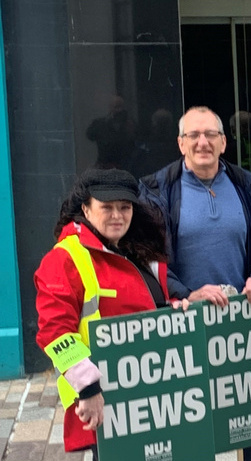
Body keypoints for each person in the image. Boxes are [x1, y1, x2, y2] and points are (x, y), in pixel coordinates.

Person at [139, 106, 251, 460]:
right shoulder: (156, 192)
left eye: (210, 135)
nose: (202, 142)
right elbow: (145, 257)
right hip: (184, 325)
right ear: (180, 143)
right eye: (193, 135)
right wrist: (187, 293)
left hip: (244, 325)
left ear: (223, 142)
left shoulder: (250, 188)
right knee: (191, 432)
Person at [34, 168, 171, 459]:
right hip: (110, 401)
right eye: (106, 207)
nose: (117, 215)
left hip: (155, 394)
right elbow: (54, 333)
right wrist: (88, 389)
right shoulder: (64, 258)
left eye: (125, 207)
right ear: (85, 208)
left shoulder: (140, 251)